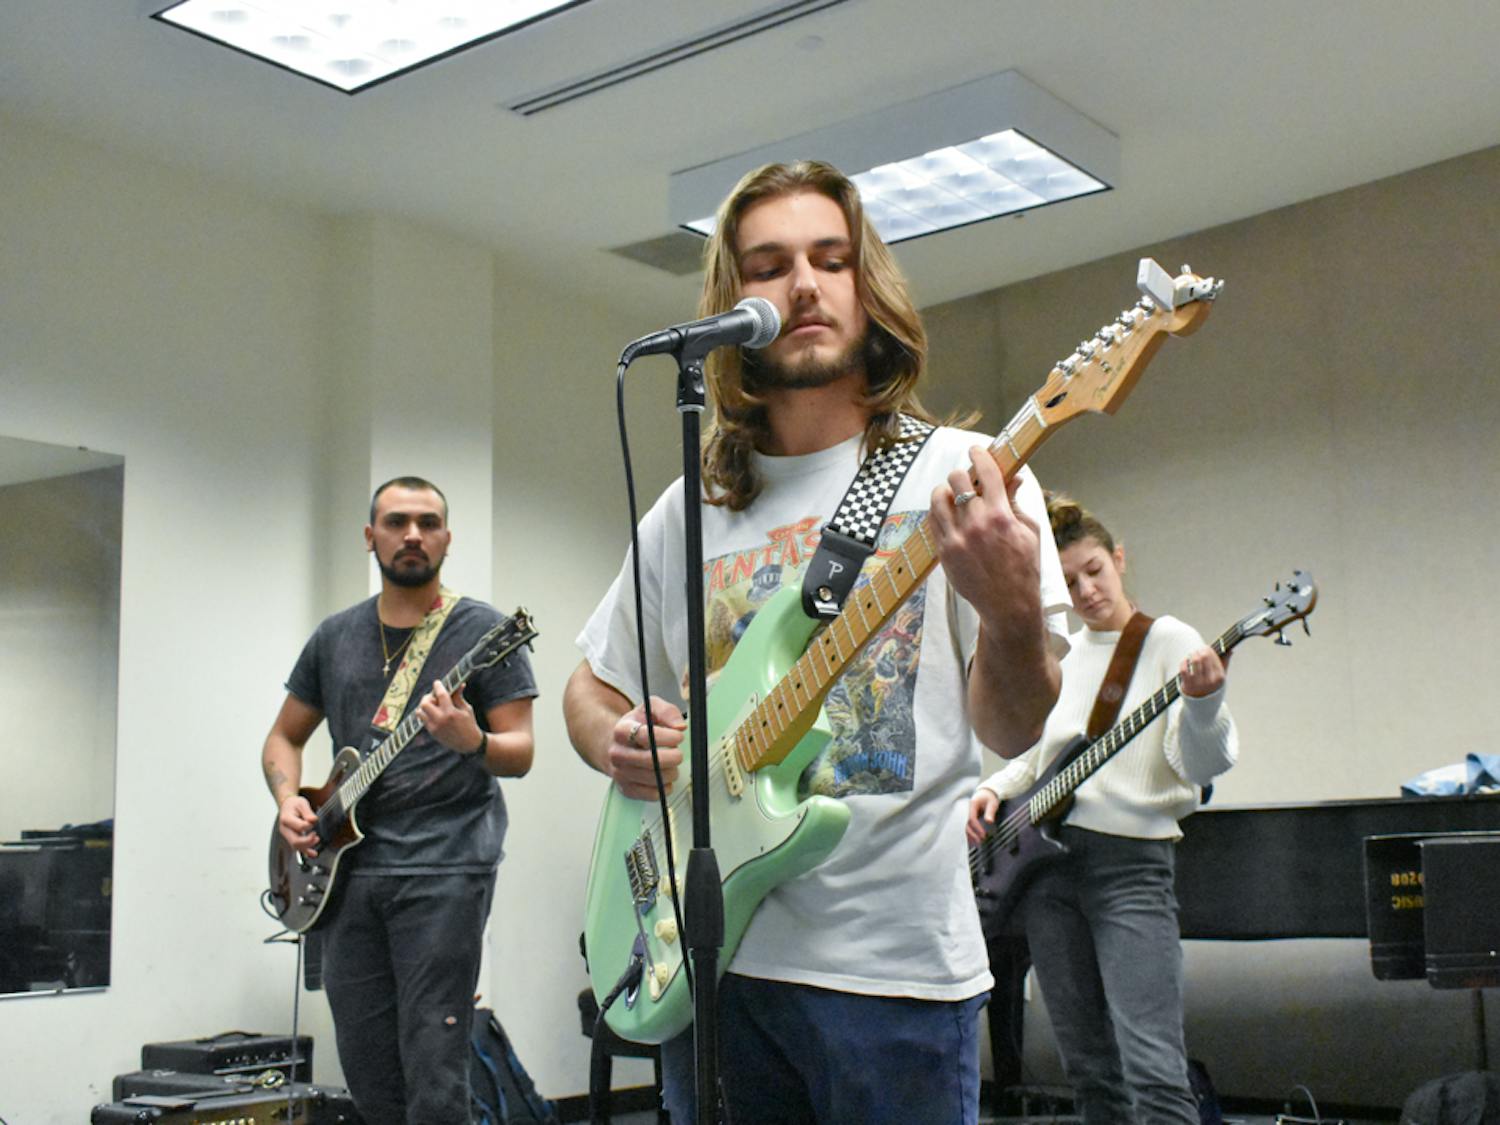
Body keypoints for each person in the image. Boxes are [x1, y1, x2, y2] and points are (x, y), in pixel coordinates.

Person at [563, 160, 1071, 1125]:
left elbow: (1012, 728)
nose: (801, 283)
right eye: (769, 264)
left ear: (865, 287)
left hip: (896, 981)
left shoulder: (962, 478)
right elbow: (589, 684)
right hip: (709, 965)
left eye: (829, 259)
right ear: (730, 303)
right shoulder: (689, 508)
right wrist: (613, 739)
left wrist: (1008, 610)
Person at [261, 476, 536, 1125]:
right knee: (367, 1067)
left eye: (426, 521)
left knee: (435, 1067)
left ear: (446, 537)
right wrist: (286, 800)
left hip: (444, 867)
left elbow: (519, 749)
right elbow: (283, 737)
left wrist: (472, 740)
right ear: (370, 536)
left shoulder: (484, 631)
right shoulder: (335, 636)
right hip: (345, 874)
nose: (411, 533)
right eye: (396, 521)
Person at [966, 493, 1238, 1124]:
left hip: (1130, 869)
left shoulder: (1169, 641)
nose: (1086, 589)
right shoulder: (1063, 657)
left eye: (1094, 570)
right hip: (1049, 875)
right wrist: (995, 787)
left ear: (1119, 559)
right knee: (1089, 1071)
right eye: (1068, 581)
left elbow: (1203, 768)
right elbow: (1045, 755)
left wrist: (1202, 704)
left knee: (1155, 1072)